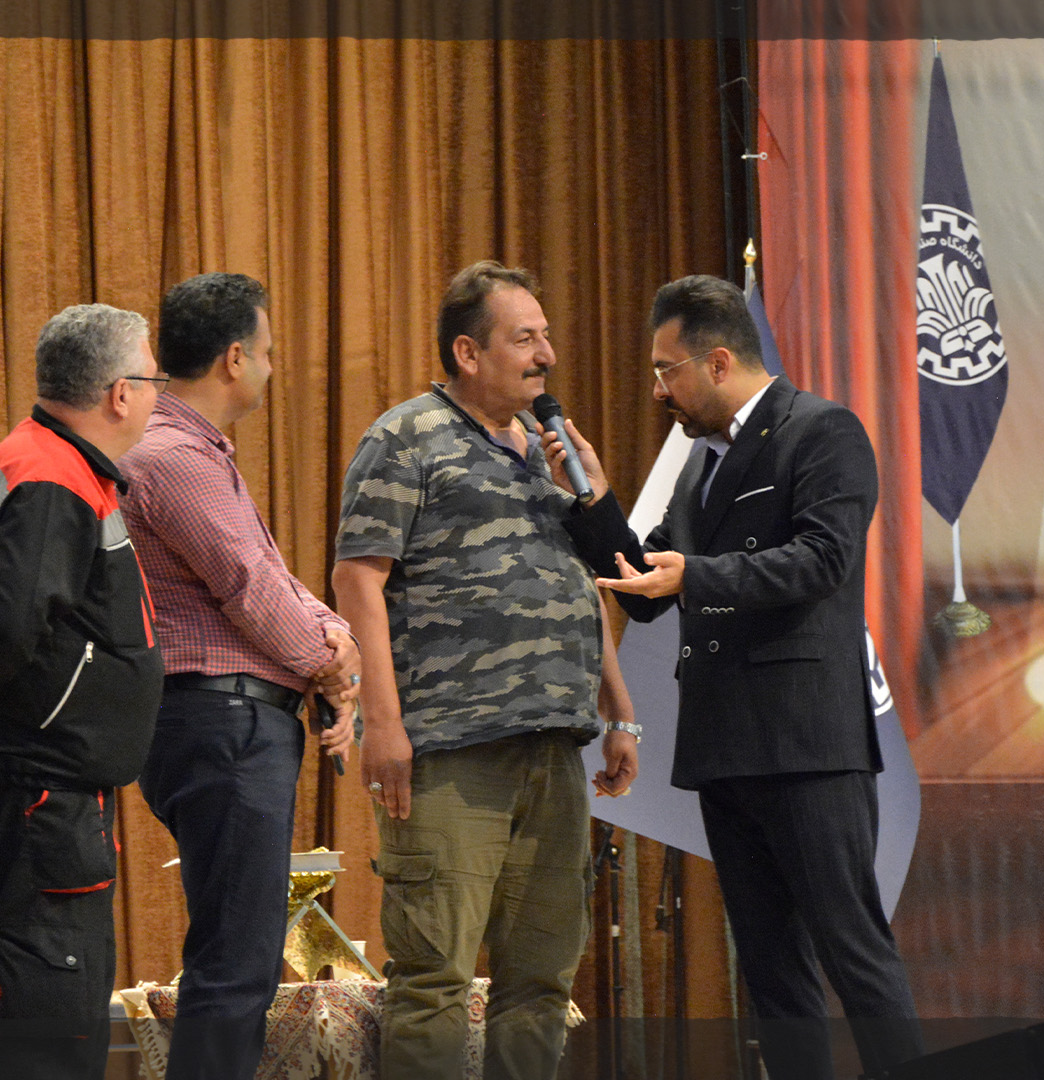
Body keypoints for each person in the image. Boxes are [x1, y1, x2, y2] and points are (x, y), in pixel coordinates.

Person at [542, 274, 924, 1080]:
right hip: (726, 747)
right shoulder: (698, 468)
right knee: (771, 974)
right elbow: (641, 588)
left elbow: (823, 559)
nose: (657, 390)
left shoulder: (822, 431)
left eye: (666, 370)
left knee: (852, 951)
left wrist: (697, 576)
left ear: (718, 362)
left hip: (808, 744)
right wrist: (597, 500)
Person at [332, 261, 640, 1080]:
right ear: (468, 353)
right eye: (525, 338)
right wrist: (382, 725)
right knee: (434, 976)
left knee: (541, 981)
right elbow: (358, 579)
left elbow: (582, 584)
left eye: (547, 337)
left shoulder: (549, 452)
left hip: (554, 748)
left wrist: (620, 711)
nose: (546, 356)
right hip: (450, 751)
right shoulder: (405, 437)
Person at [116, 272, 359, 1079]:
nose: (272, 367)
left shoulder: (191, 452)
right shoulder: (174, 458)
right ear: (232, 358)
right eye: (267, 352)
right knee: (234, 967)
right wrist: (330, 661)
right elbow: (251, 590)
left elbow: (272, 577)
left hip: (226, 721)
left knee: (239, 961)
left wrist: (333, 639)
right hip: (221, 724)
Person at [0, 303, 165, 1077]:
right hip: (32, 790)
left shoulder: (59, 465)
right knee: (47, 1021)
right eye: (153, 379)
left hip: (48, 788)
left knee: (63, 1008)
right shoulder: (50, 474)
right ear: (120, 393)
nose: (157, 394)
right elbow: (8, 627)